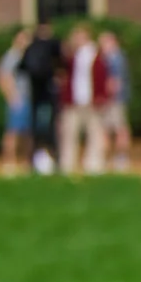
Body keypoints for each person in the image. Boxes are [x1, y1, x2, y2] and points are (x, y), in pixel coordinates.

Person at [57, 24, 110, 176]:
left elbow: (102, 78)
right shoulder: (71, 57)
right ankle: (67, 164)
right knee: (70, 134)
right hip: (73, 102)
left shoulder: (95, 56)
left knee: (94, 133)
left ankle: (94, 164)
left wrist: (101, 97)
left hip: (92, 101)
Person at [19, 20, 61, 175]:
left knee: (37, 130)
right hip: (47, 96)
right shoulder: (53, 45)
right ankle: (51, 159)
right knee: (48, 130)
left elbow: (22, 68)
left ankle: (35, 159)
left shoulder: (31, 48)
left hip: (36, 97)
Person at [0, 29, 32, 175]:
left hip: (30, 98)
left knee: (27, 133)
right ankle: (9, 162)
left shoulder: (30, 57)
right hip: (18, 99)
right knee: (13, 132)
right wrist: (12, 97)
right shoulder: (11, 56)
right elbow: (3, 78)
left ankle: (25, 162)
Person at [98, 29, 132, 172]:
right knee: (106, 130)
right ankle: (109, 159)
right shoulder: (106, 58)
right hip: (108, 100)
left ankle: (120, 158)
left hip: (114, 101)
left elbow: (115, 83)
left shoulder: (116, 58)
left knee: (119, 129)